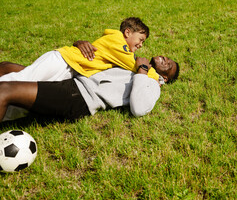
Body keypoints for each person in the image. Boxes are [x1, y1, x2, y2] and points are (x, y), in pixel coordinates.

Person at [0, 54, 180, 122]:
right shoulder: (132, 63)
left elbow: (139, 109)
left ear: (165, 78)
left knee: (5, 91)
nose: (165, 58)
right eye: (166, 57)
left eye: (168, 64)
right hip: (73, 78)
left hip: (78, 96)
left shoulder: (153, 84)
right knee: (6, 67)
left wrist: (142, 71)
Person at [0, 17, 160, 83]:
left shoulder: (119, 45)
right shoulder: (117, 42)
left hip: (69, 68)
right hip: (62, 60)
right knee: (21, 79)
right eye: (140, 40)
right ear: (127, 33)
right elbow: (132, 64)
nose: (140, 45)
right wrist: (157, 77)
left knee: (28, 83)